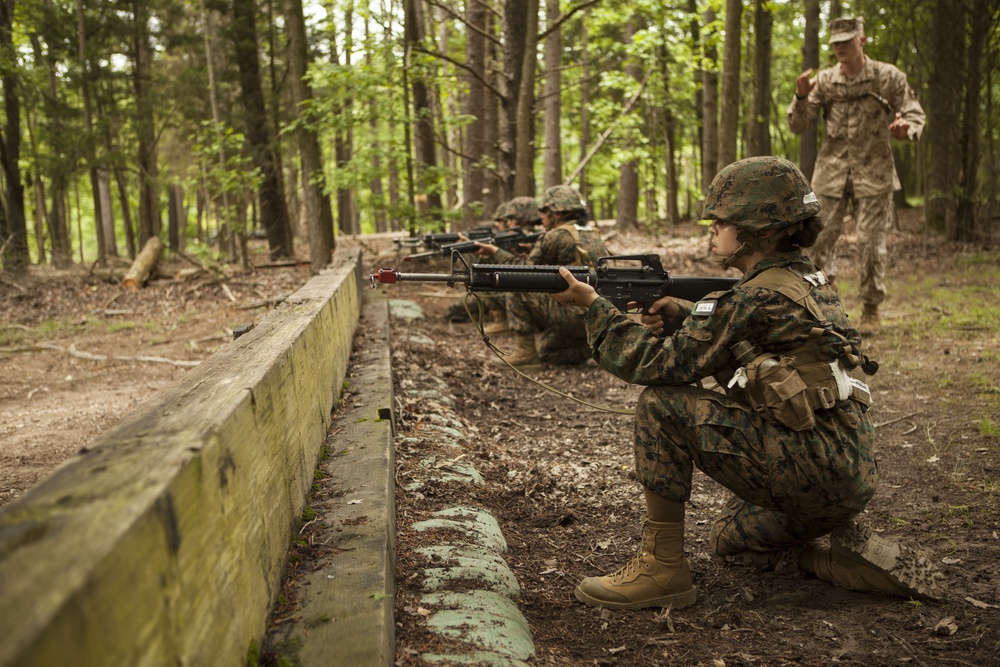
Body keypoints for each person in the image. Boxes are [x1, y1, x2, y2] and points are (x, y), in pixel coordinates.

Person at [549, 156, 943, 610]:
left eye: (721, 221)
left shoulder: (751, 298)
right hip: (845, 473)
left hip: (811, 467)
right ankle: (828, 560)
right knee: (731, 538)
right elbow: (749, 347)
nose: (711, 229)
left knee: (662, 405)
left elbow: (654, 363)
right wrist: (681, 316)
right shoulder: (807, 281)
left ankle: (661, 571)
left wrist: (594, 306)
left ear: (761, 230)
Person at [787, 16, 925, 336]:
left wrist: (907, 130)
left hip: (874, 170)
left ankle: (871, 307)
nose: (839, 48)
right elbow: (798, 125)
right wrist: (802, 96)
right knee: (817, 238)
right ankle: (825, 297)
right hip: (832, 170)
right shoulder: (825, 81)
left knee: (870, 243)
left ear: (862, 41)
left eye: (846, 41)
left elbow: (915, 114)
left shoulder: (887, 77)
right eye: (835, 43)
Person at [476, 185, 609, 369]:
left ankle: (526, 353)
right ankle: (590, 347)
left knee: (518, 288)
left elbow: (522, 271)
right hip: (600, 313)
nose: (541, 217)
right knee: (549, 351)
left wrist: (495, 252)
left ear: (557, 213)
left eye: (544, 212)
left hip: (574, 312)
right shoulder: (593, 233)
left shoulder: (555, 235)